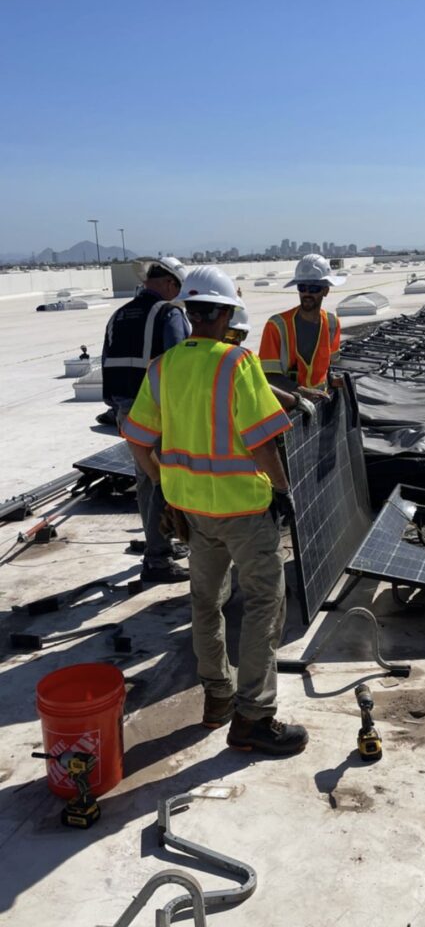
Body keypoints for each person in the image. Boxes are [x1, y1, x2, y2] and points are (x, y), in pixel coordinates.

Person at [122, 265, 308, 755]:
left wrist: (165, 483)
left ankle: (217, 699)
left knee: (206, 604)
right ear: (226, 315)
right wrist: (283, 491)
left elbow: (137, 439)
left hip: (192, 515)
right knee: (265, 606)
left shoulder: (162, 367)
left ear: (188, 311)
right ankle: (254, 717)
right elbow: (262, 442)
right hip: (245, 511)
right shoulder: (236, 363)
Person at [102, 255, 191, 584]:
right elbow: (183, 365)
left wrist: (119, 410)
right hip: (159, 411)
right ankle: (157, 559)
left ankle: (160, 542)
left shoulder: (119, 314)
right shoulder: (168, 313)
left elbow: (109, 365)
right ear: (170, 284)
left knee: (146, 480)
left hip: (128, 411)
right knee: (163, 481)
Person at [258, 254, 345, 404]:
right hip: (288, 408)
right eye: (302, 287)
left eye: (314, 288)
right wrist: (302, 393)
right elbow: (267, 376)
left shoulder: (332, 323)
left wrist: (333, 380)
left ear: (326, 291)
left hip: (319, 404)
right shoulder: (277, 326)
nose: (307, 293)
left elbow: (328, 365)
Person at [225, 309, 316, 420]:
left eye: (241, 335)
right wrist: (294, 401)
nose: (237, 342)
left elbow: (258, 384)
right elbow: (259, 387)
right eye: (231, 334)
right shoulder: (240, 359)